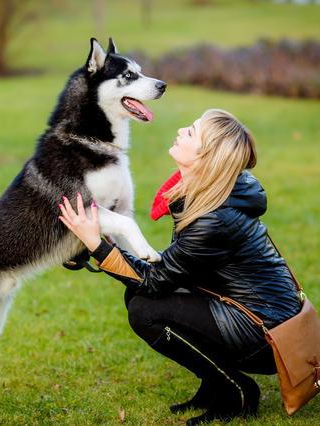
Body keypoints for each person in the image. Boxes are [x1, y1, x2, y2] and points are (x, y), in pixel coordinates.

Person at [58, 109, 302, 425]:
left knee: (146, 309)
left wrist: (98, 246)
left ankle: (237, 392)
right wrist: (97, 247)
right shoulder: (212, 194)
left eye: (192, 132)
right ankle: (214, 383)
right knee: (139, 299)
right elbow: (170, 273)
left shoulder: (215, 218)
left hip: (267, 334)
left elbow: (155, 281)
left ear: (207, 156)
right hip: (254, 313)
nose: (182, 129)